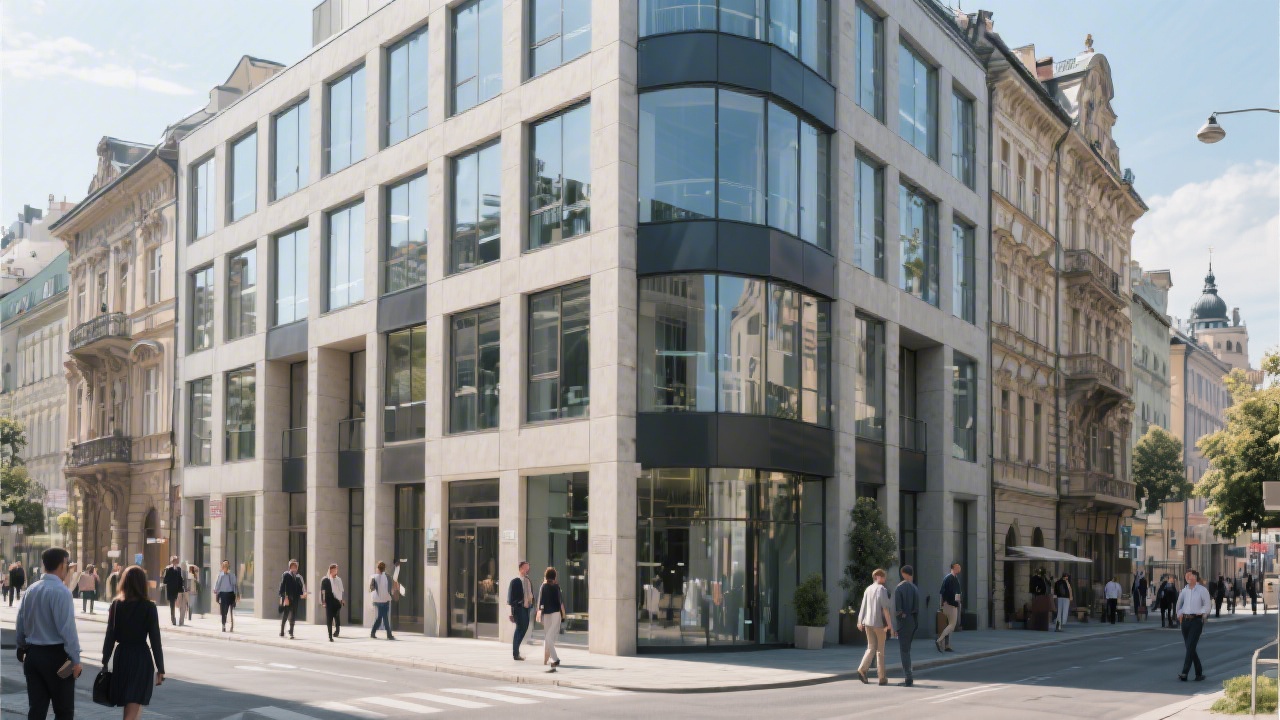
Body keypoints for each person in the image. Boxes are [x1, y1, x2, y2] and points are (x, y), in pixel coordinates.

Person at [15, 547, 83, 720]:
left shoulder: (31, 590)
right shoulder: (62, 592)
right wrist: (75, 660)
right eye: (66, 564)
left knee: (36, 710)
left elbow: (20, 623)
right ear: (62, 565)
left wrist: (21, 647)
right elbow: (68, 630)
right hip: (58, 657)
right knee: (64, 710)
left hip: (33, 655)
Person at [102, 566, 165, 719]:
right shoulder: (148, 607)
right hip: (140, 656)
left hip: (122, 655)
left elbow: (110, 635)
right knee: (134, 700)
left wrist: (105, 661)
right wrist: (160, 668)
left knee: (129, 702)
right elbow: (155, 639)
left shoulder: (116, 605)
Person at [853, 568, 893, 685]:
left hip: (867, 623)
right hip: (879, 623)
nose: (885, 579)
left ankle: (862, 669)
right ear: (879, 577)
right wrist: (889, 624)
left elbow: (863, 606)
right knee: (880, 650)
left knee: (870, 647)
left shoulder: (868, 589)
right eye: (884, 577)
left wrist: (860, 621)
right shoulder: (882, 590)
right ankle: (882, 677)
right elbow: (885, 609)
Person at [1176, 569, 1211, 682]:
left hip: (1196, 621)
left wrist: (1201, 612)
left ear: (1195, 577)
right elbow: (1179, 604)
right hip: (1185, 621)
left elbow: (1207, 605)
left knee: (1190, 646)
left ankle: (1184, 672)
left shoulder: (1202, 590)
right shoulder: (1184, 590)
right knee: (1189, 647)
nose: (1187, 577)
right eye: (1186, 576)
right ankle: (1199, 673)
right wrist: (1179, 613)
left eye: (1189, 576)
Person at [894, 565, 920, 687]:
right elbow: (917, 609)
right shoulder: (915, 588)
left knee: (904, 651)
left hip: (903, 623)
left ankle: (908, 677)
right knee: (908, 650)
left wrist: (898, 623)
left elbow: (898, 610)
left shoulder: (899, 588)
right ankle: (908, 675)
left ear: (903, 573)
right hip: (913, 622)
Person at [537, 567, 566, 672]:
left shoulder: (543, 587)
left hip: (547, 614)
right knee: (549, 637)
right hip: (555, 614)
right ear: (554, 577)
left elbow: (540, 602)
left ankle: (552, 659)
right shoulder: (556, 587)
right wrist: (563, 614)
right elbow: (560, 602)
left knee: (548, 637)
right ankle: (551, 659)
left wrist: (539, 612)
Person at [507, 560, 534, 661]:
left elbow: (531, 594)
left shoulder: (528, 581)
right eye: (525, 567)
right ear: (520, 569)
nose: (527, 569)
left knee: (525, 627)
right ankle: (516, 653)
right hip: (518, 608)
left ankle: (516, 650)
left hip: (527, 607)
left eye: (528, 567)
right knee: (519, 629)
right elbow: (510, 598)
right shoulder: (515, 581)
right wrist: (510, 613)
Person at [278, 559, 306, 639]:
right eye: (292, 566)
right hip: (288, 598)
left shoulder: (299, 577)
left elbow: (302, 587)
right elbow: (282, 587)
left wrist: (303, 594)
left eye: (295, 567)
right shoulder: (286, 575)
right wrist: (284, 597)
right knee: (285, 615)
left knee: (293, 616)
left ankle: (291, 632)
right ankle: (282, 631)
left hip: (295, 599)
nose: (294, 568)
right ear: (290, 567)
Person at [936, 563, 961, 652]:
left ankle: (947, 645)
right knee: (952, 625)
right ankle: (939, 641)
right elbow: (942, 592)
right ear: (953, 568)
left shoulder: (954, 578)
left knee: (948, 625)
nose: (959, 568)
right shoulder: (949, 578)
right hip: (950, 605)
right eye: (958, 567)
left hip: (951, 604)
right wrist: (943, 604)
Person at [369, 561, 396, 640]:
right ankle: (388, 634)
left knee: (380, 617)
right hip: (386, 600)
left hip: (377, 601)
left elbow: (371, 588)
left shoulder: (374, 577)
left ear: (378, 568)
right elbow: (390, 588)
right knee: (384, 617)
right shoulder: (388, 577)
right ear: (384, 568)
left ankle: (374, 632)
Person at [320, 563, 345, 642]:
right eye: (334, 569)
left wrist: (341, 600)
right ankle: (330, 635)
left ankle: (337, 631)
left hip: (337, 602)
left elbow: (341, 591)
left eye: (336, 569)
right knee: (329, 619)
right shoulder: (326, 579)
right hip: (329, 601)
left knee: (337, 617)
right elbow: (323, 592)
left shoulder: (339, 579)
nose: (336, 571)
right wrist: (323, 602)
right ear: (330, 570)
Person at [212, 560, 239, 633]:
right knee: (223, 611)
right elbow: (217, 584)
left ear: (228, 567)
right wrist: (215, 590)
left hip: (230, 594)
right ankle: (223, 625)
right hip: (223, 595)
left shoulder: (232, 575)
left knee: (230, 611)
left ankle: (231, 625)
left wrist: (236, 594)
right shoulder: (220, 575)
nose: (225, 568)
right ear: (222, 567)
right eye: (224, 566)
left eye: (226, 566)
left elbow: (235, 585)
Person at [161, 557, 184, 626]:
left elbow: (180, 579)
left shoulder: (179, 569)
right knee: (172, 604)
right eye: (175, 560)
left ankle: (180, 620)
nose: (177, 562)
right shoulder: (168, 569)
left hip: (178, 589)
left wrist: (181, 587)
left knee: (180, 604)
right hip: (171, 589)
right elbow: (165, 580)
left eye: (177, 560)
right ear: (172, 561)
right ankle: (173, 619)